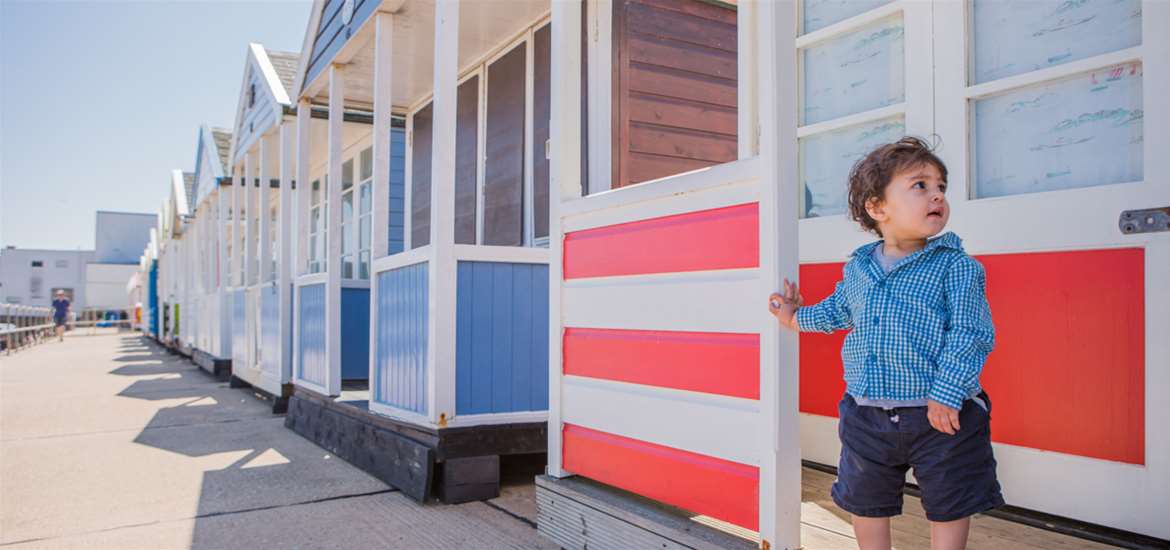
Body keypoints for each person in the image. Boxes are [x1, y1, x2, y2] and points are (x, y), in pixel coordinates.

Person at [769, 137, 1001, 550]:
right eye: (920, 185)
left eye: (941, 187)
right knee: (865, 499)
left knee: (950, 499)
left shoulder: (957, 267)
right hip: (867, 413)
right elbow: (837, 311)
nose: (937, 195)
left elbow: (970, 334)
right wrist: (793, 317)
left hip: (939, 414)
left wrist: (947, 394)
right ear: (878, 208)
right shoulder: (859, 267)